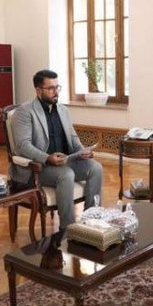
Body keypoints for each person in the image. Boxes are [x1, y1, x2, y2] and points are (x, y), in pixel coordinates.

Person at [10, 69, 103, 231]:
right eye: (51, 88)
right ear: (38, 90)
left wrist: (83, 151)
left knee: (96, 168)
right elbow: (23, 145)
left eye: (57, 87)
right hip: (40, 167)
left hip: (65, 161)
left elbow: (73, 138)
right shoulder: (24, 112)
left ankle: (91, 222)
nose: (56, 92)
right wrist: (47, 158)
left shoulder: (63, 110)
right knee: (66, 175)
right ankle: (68, 229)